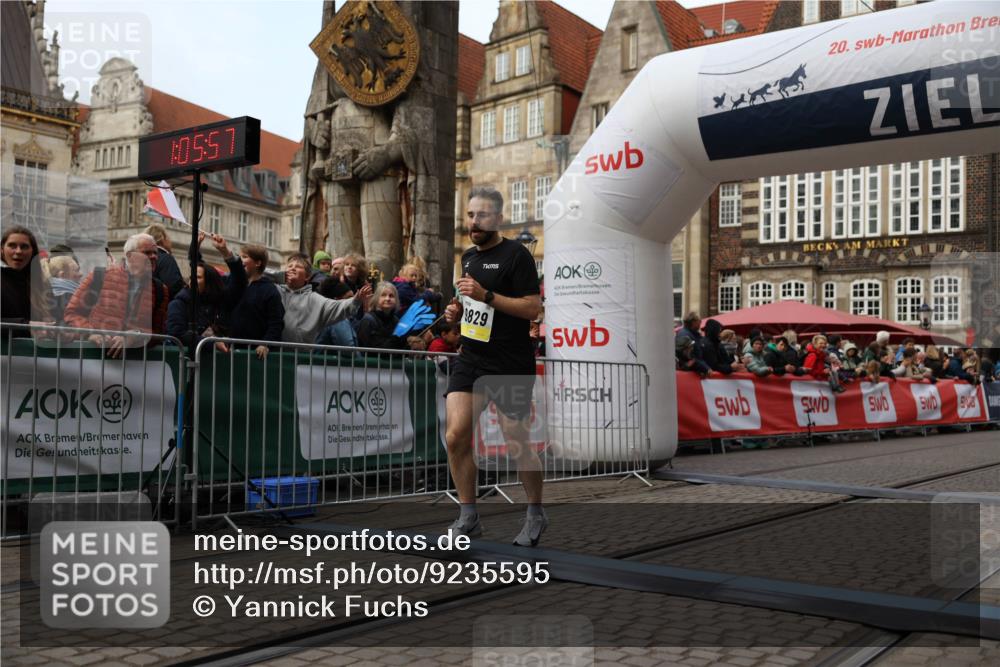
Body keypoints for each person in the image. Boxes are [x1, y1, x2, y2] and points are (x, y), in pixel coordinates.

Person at [442, 187, 544, 546]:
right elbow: (468, 304)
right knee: (455, 435)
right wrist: (455, 312)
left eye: (482, 215)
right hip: (472, 357)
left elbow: (533, 309)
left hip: (509, 361)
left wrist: (487, 295)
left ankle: (535, 512)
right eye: (470, 215)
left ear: (498, 219)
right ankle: (468, 516)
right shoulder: (467, 257)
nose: (474, 222)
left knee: (516, 439)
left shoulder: (517, 255)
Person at [63, 233, 169, 357]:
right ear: (130, 256)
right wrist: (91, 333)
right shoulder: (99, 276)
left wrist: (135, 336)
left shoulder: (160, 289)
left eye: (155, 253)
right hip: (91, 361)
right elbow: (72, 313)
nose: (154, 257)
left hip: (133, 368)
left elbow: (158, 333)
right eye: (147, 252)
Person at [166, 233, 247, 355]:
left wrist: (226, 252)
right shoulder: (180, 303)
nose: (192, 280)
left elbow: (240, 281)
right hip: (189, 365)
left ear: (209, 282)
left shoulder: (222, 300)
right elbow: (177, 333)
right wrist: (211, 343)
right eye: (191, 276)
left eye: (198, 277)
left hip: (220, 366)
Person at [278, 253, 371, 344]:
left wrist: (356, 300)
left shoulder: (314, 299)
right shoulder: (276, 292)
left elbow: (337, 307)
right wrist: (280, 276)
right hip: (276, 354)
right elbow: (263, 275)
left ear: (307, 276)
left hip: (303, 355)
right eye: (289, 266)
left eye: (298, 266)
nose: (293, 268)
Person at [230, 243, 284, 359]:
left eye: (244, 257)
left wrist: (266, 343)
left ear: (258, 263)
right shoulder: (235, 284)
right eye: (239, 257)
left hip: (256, 355)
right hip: (232, 350)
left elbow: (276, 322)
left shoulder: (269, 290)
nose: (240, 260)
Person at [1, 225, 54, 336]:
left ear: (32, 251)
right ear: (2, 249)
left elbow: (56, 319)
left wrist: (62, 332)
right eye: (12, 246)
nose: (18, 251)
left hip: (34, 352)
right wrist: (26, 325)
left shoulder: (42, 284)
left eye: (24, 246)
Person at [355, 281, 408, 350]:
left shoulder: (396, 321)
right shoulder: (368, 320)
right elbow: (371, 348)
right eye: (383, 295)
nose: (388, 299)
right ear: (376, 299)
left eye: (391, 296)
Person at [144, 223, 185, 298]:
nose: (171, 242)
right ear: (163, 239)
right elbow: (174, 287)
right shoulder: (166, 259)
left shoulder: (144, 259)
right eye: (169, 238)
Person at [315, 278, 359, 348]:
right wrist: (360, 359)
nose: (353, 300)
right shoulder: (338, 320)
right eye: (349, 297)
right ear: (337, 300)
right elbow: (349, 350)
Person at [47, 255, 83, 324]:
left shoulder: (46, 294)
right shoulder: (68, 298)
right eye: (76, 271)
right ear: (62, 275)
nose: (81, 274)